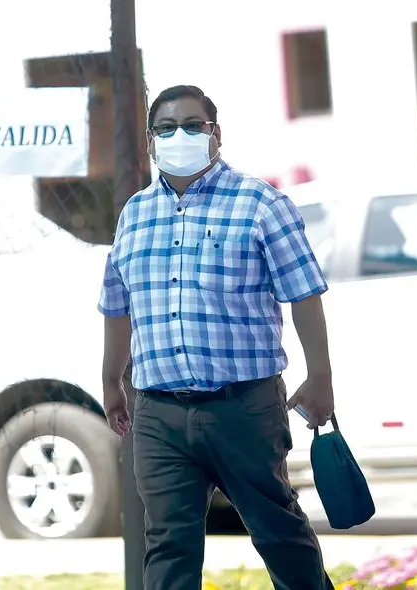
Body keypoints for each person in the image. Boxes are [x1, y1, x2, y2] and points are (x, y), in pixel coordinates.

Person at [98, 84, 337, 590]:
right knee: (167, 546)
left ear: (216, 134)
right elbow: (117, 305)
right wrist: (110, 380)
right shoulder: (134, 214)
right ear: (150, 141)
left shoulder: (260, 204)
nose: (179, 136)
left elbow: (304, 294)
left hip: (243, 408)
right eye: (166, 128)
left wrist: (320, 377)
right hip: (159, 414)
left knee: (278, 533)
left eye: (192, 125)